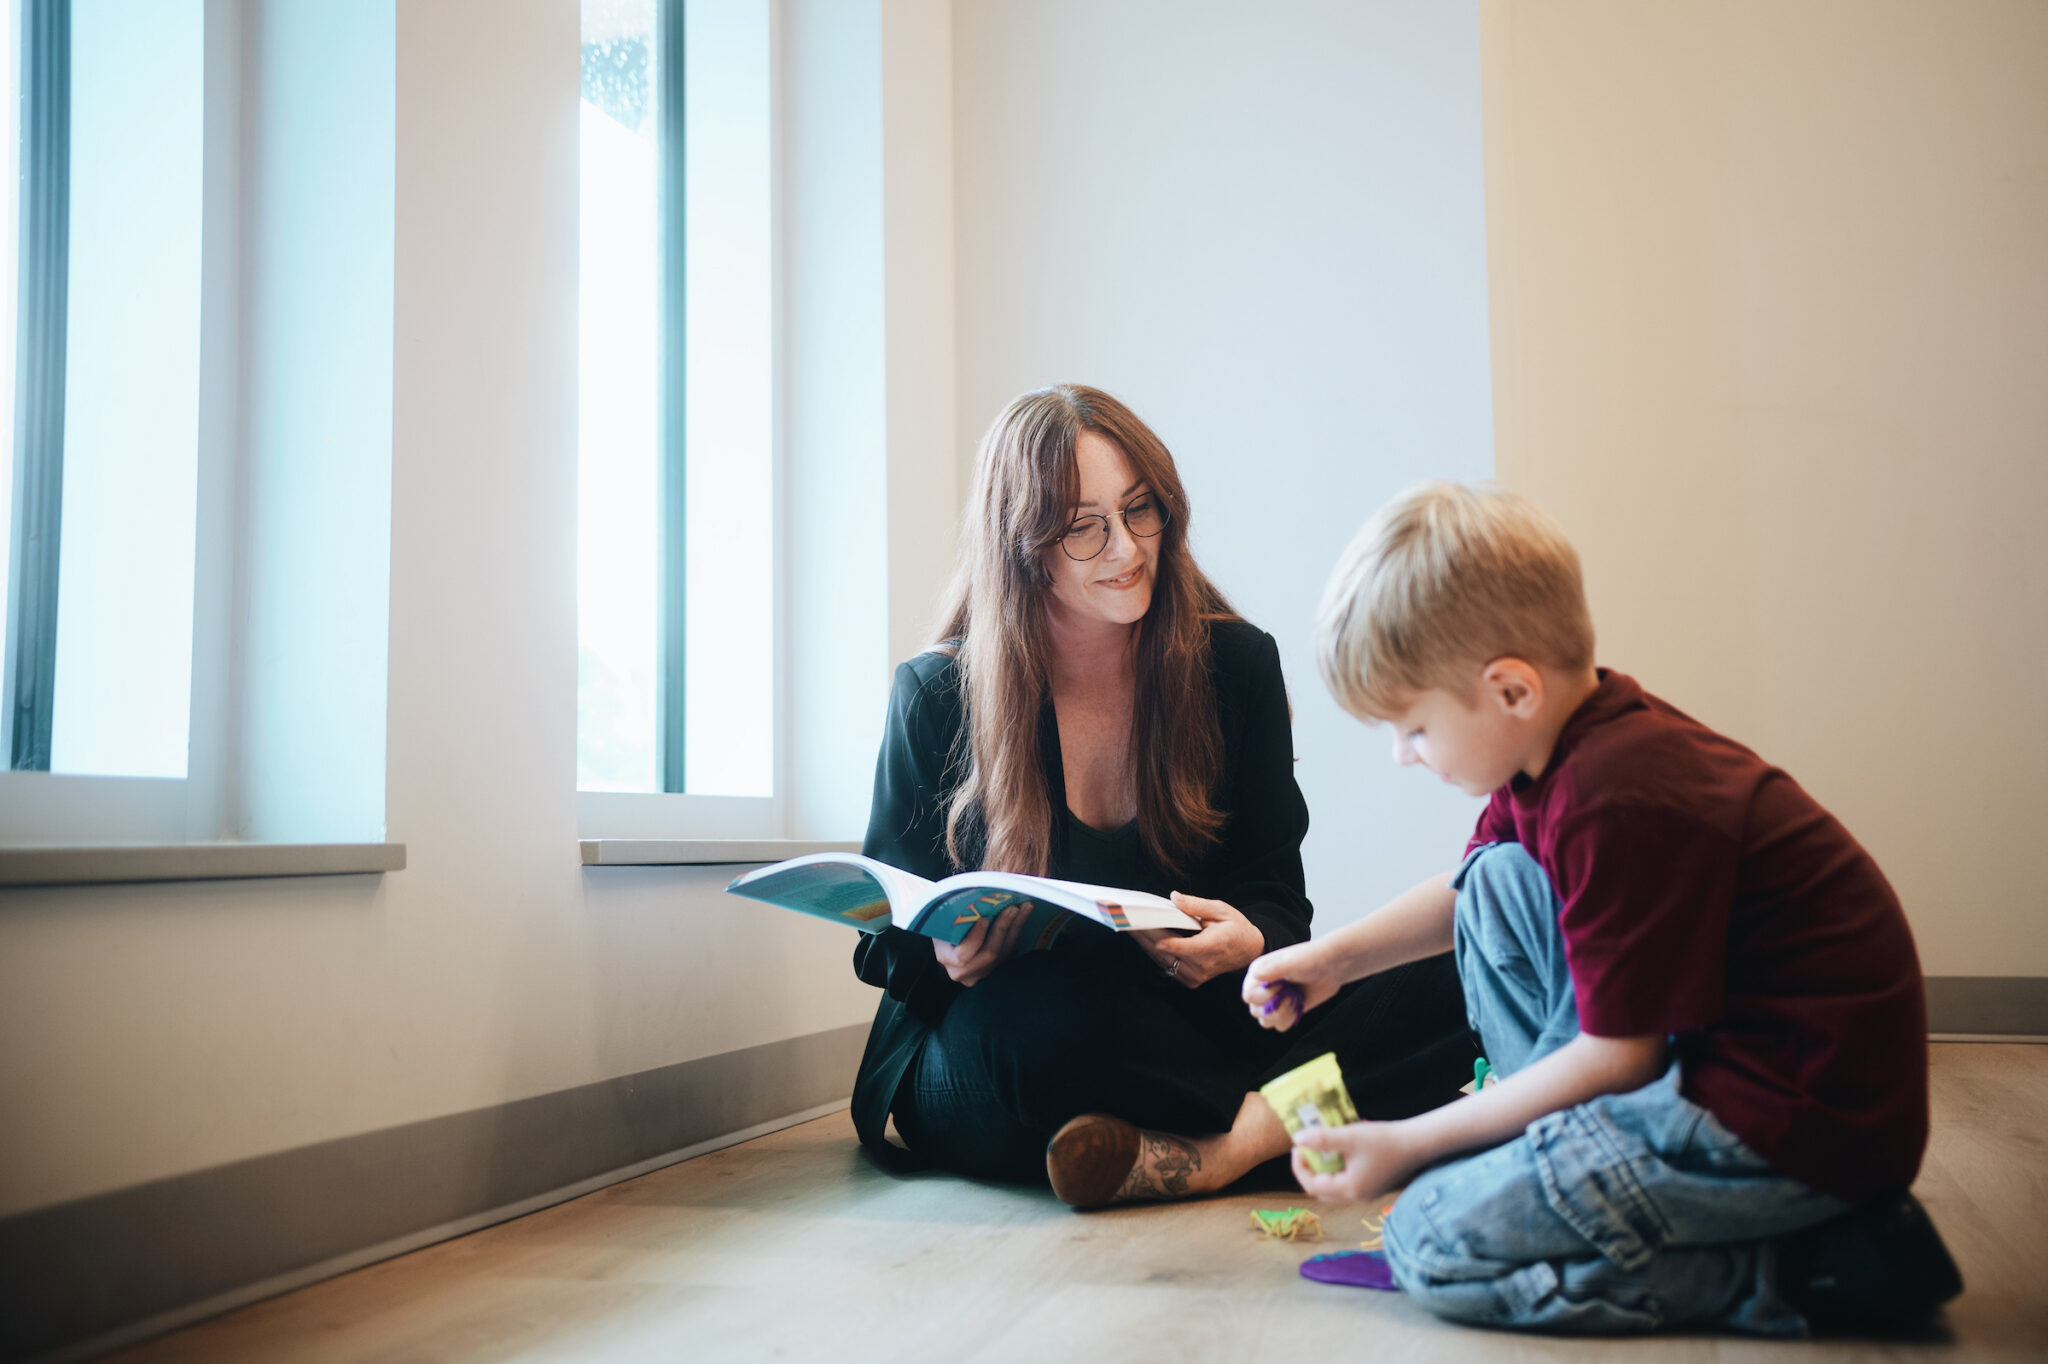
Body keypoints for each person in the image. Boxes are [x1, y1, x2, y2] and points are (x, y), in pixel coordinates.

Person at [1243, 480, 1961, 1334]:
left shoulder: (1616, 796)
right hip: (1702, 1073)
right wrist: (1335, 961)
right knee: (1495, 880)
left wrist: (1417, 1138)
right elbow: (1466, 892)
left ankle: (1802, 1269)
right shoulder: (1567, 744)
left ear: (1512, 691)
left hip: (1785, 1131)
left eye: (1416, 728)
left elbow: (1618, 1056)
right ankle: (1559, 1166)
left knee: (1431, 1240)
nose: (1403, 756)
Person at [850, 385, 1476, 1204]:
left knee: (1466, 971)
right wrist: (943, 955)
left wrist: (1249, 936)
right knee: (1041, 1030)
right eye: (1084, 526)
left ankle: (1220, 1147)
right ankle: (1290, 1116)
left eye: (1140, 509)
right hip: (1010, 1036)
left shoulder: (1236, 666)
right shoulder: (937, 692)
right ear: (1024, 545)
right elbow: (884, 938)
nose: (1126, 547)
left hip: (1184, 1015)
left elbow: (1280, 899)